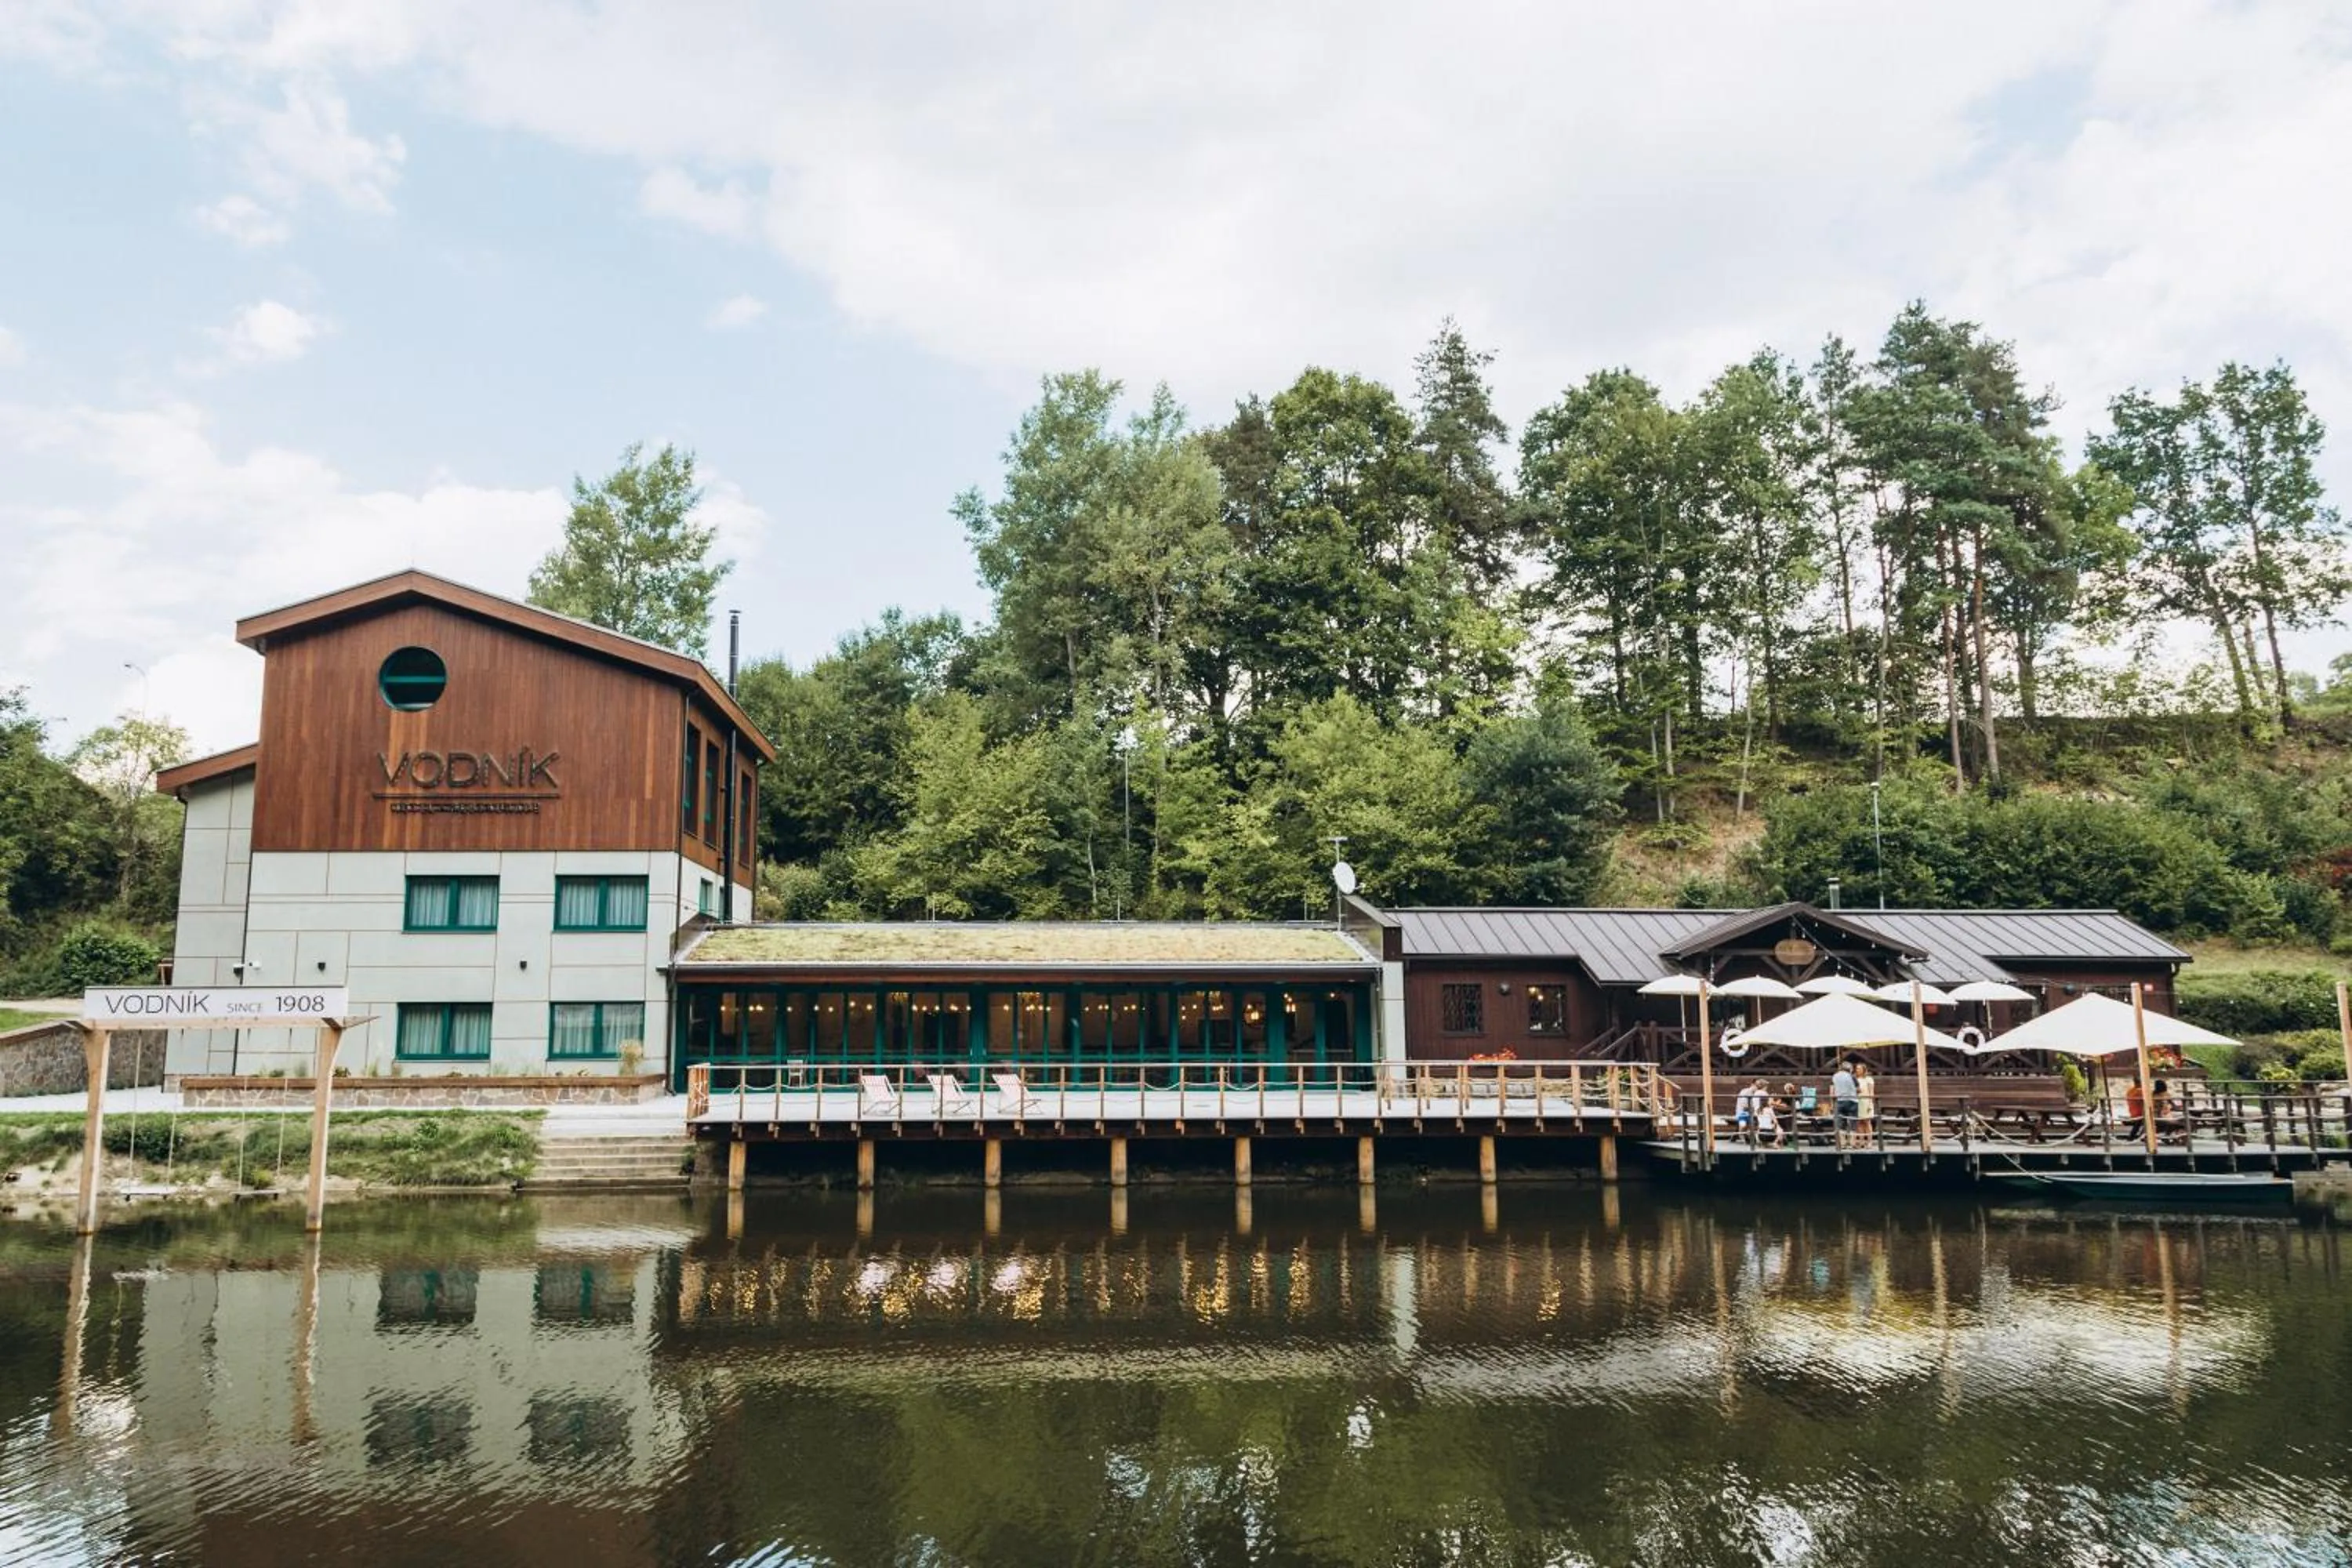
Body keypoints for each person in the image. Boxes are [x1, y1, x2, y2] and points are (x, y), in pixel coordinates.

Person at [1831, 1058, 1860, 1151]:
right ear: (1850, 1069)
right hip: (1852, 1101)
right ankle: (1852, 1144)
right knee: (1853, 1123)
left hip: (1839, 1100)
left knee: (1841, 1123)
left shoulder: (1835, 1076)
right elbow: (1859, 1089)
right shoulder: (1852, 1076)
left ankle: (1843, 1143)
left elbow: (1834, 1088)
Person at [1855, 1062, 1878, 1145]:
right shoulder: (1856, 1079)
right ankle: (1861, 1141)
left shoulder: (1869, 1079)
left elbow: (1871, 1092)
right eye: (1856, 1068)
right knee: (1859, 1122)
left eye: (1859, 1068)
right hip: (1858, 1101)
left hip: (1866, 1101)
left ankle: (1869, 1141)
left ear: (1863, 1070)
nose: (1857, 1070)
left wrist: (1870, 1103)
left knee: (1867, 1121)